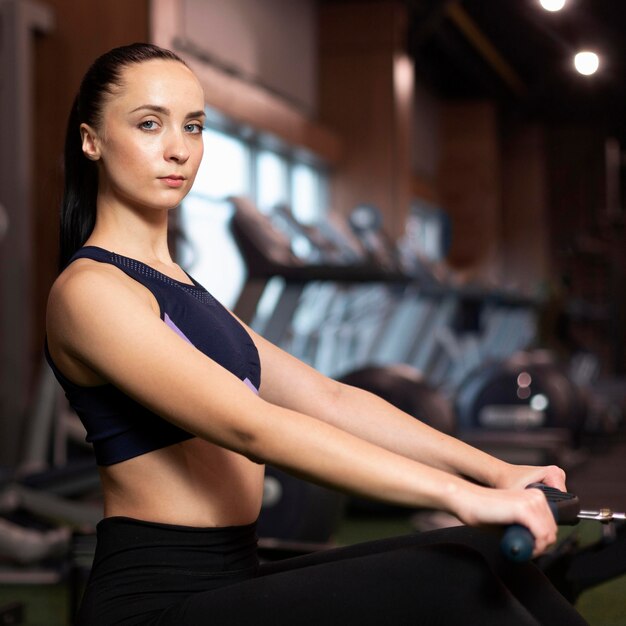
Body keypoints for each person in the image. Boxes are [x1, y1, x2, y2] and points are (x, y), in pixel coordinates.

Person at [45, 42, 588, 625]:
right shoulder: (91, 291)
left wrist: (493, 471)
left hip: (233, 574)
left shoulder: (178, 286)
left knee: (485, 560)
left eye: (194, 126)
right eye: (149, 124)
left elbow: (329, 398)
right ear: (91, 140)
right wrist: (458, 495)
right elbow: (250, 424)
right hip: (154, 601)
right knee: (453, 581)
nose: (178, 148)